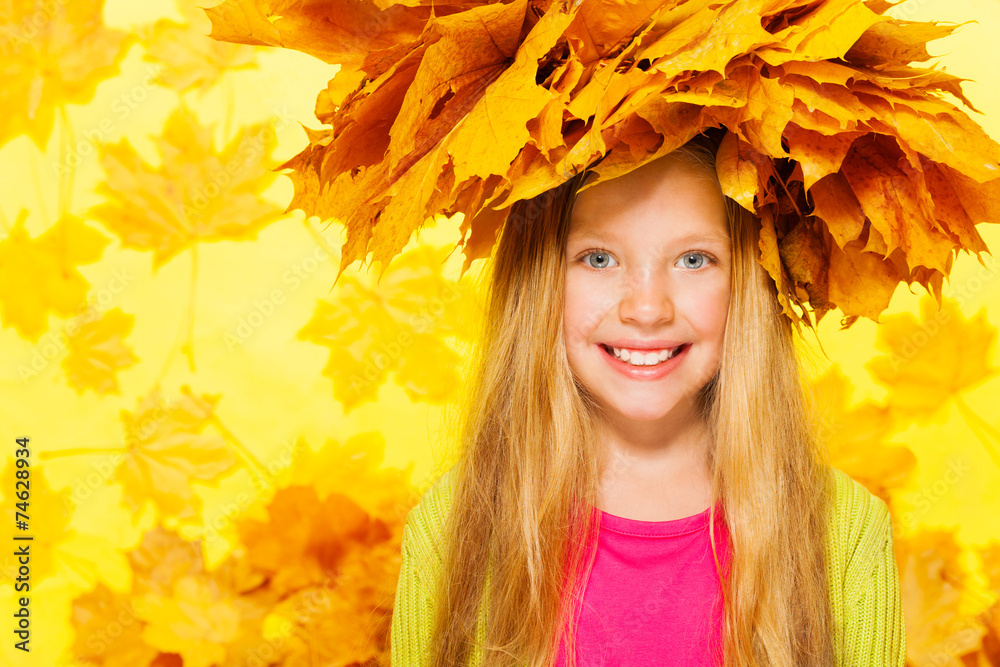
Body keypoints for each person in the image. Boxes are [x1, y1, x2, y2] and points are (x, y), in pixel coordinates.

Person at [389, 131, 905, 667]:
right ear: (541, 281)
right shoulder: (454, 524)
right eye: (598, 258)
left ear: (750, 281)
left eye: (693, 260)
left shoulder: (845, 531)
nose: (647, 308)